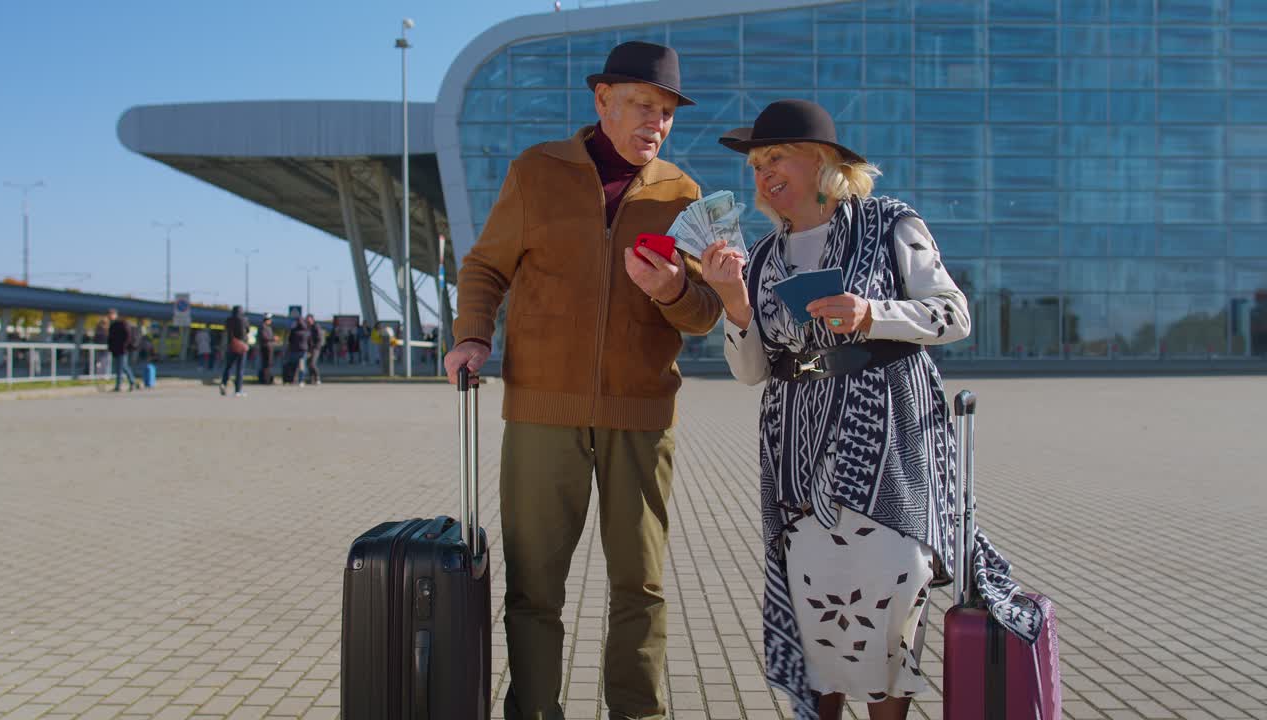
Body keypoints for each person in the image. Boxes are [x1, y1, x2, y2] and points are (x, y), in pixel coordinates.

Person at [703, 100, 1040, 720]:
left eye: (776, 157)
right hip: (797, 461)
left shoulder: (890, 223)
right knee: (816, 624)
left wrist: (871, 313)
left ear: (824, 161)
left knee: (890, 616)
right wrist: (732, 300)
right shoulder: (765, 256)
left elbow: (954, 314)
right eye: (756, 164)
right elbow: (751, 371)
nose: (763, 174)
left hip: (889, 447)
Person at [445, 41, 722, 720]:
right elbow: (485, 267)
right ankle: (534, 711)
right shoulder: (536, 172)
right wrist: (473, 335)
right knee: (534, 588)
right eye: (641, 105)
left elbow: (706, 315)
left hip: (642, 414)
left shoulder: (685, 194)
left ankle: (638, 713)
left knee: (642, 586)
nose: (655, 122)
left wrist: (675, 289)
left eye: (666, 111)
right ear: (602, 101)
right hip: (542, 412)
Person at [219, 306, 251, 397]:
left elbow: (226, 330)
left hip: (231, 345)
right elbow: (247, 330)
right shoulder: (245, 319)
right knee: (240, 369)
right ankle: (238, 390)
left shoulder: (229, 320)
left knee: (228, 367)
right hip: (241, 346)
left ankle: (224, 383)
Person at [106, 309, 137, 392]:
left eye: (111, 314)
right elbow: (110, 338)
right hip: (116, 350)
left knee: (122, 367)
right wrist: (110, 348)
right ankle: (129, 383)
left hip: (122, 349)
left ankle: (125, 384)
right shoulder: (112, 325)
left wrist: (124, 345)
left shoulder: (121, 323)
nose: (109, 316)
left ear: (115, 315)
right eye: (109, 314)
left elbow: (127, 336)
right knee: (121, 367)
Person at [285, 316, 310, 386]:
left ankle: (292, 380)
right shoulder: (306, 331)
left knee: (293, 366)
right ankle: (301, 380)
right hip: (302, 351)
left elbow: (289, 340)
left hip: (294, 351)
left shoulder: (293, 331)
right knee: (302, 367)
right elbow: (310, 342)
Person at [305, 314, 324, 385]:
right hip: (309, 348)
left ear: (312, 319)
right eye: (306, 319)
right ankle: (312, 379)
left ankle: (317, 378)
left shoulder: (316, 327)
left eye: (308, 319)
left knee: (312, 363)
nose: (307, 320)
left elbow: (319, 338)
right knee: (308, 363)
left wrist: (316, 347)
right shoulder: (307, 327)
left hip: (315, 348)